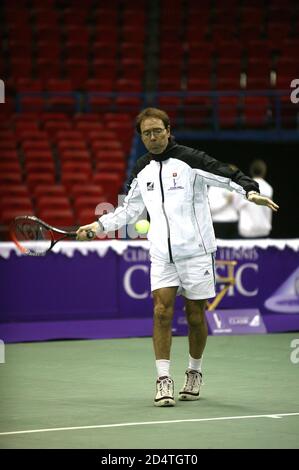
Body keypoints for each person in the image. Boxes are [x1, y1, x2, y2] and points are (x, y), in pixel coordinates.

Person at [76, 108, 279, 407]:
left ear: (169, 130)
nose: (153, 137)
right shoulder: (141, 168)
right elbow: (129, 209)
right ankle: (163, 379)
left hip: (196, 253)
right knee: (161, 311)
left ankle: (194, 372)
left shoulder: (191, 160)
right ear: (141, 137)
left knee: (196, 317)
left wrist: (249, 191)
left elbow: (225, 174)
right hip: (161, 254)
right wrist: (99, 225)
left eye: (158, 130)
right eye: (147, 133)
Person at [234, 159, 274, 238]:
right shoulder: (269, 188)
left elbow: (236, 207)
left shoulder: (244, 187)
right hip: (263, 230)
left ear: (251, 171)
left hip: (247, 231)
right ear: (264, 171)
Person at [208, 164, 239, 239]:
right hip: (219, 223)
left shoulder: (237, 187)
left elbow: (239, 207)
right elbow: (210, 207)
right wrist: (226, 202)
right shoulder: (214, 186)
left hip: (233, 223)